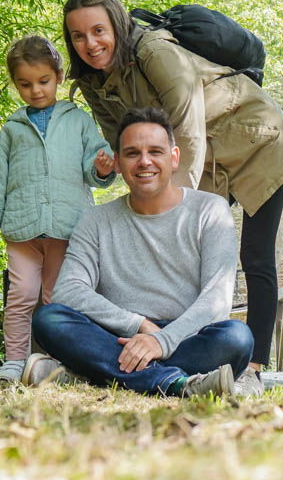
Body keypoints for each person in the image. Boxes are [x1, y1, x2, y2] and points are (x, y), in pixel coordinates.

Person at [62, 0, 283, 394]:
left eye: (98, 31)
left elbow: (187, 129)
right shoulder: (91, 81)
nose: (90, 44)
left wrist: (177, 207)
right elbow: (121, 143)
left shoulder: (155, 51)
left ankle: (253, 369)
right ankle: (174, 355)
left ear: (117, 26)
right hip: (204, 159)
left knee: (255, 257)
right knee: (189, 259)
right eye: (78, 36)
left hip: (256, 141)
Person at [26, 107, 254, 398]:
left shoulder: (210, 209)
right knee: (51, 319)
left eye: (155, 152)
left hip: (187, 336)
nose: (144, 161)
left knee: (236, 338)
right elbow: (67, 291)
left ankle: (93, 375)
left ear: (173, 158)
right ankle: (177, 383)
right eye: (132, 153)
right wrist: (139, 326)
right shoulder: (95, 220)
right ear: (118, 163)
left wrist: (161, 341)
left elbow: (216, 300)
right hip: (117, 336)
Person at [0, 35, 116, 381]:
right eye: (25, 84)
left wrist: (102, 167)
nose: (35, 90)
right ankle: (15, 361)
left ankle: (52, 363)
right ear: (16, 85)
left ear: (59, 76)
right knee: (20, 296)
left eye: (43, 81)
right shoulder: (12, 128)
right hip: (22, 228)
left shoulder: (79, 120)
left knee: (55, 298)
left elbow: (92, 166)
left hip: (67, 227)